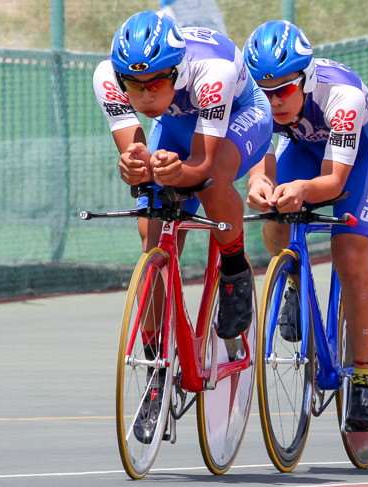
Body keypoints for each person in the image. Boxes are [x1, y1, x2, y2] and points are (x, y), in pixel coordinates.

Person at [92, 10, 272, 442]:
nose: (143, 93)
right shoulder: (106, 77)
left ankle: (234, 268)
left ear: (176, 71)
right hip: (177, 125)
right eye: (134, 85)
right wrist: (136, 168)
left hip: (239, 118)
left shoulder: (213, 71)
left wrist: (179, 171)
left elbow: (202, 164)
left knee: (210, 183)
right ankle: (157, 363)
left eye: (155, 83)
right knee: (150, 228)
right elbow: (137, 154)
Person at [243, 20, 368, 432]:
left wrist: (303, 190)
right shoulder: (258, 99)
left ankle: (363, 376)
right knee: (274, 211)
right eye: (265, 93)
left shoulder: (340, 97)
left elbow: (334, 183)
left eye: (284, 90)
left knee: (349, 252)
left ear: (305, 79)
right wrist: (260, 184)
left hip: (358, 154)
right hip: (307, 144)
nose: (274, 101)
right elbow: (260, 157)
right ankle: (292, 279)